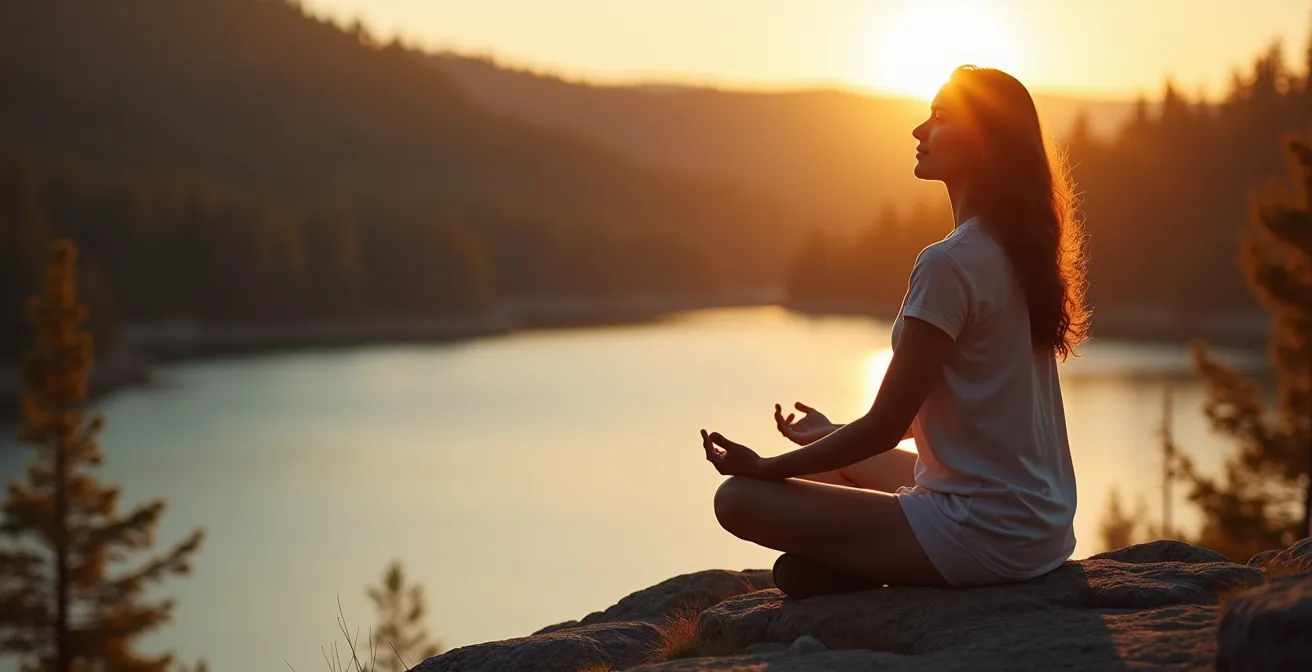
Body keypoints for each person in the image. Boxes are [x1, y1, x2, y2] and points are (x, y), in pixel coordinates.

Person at [700, 65, 1091, 597]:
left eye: (940, 118)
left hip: (985, 534)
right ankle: (860, 563)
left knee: (738, 499)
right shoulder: (1020, 253)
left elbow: (885, 427)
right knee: (830, 469)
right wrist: (833, 431)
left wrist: (765, 466)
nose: (918, 131)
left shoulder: (949, 263)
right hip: (1040, 530)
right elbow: (957, 409)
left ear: (985, 144)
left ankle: (866, 565)